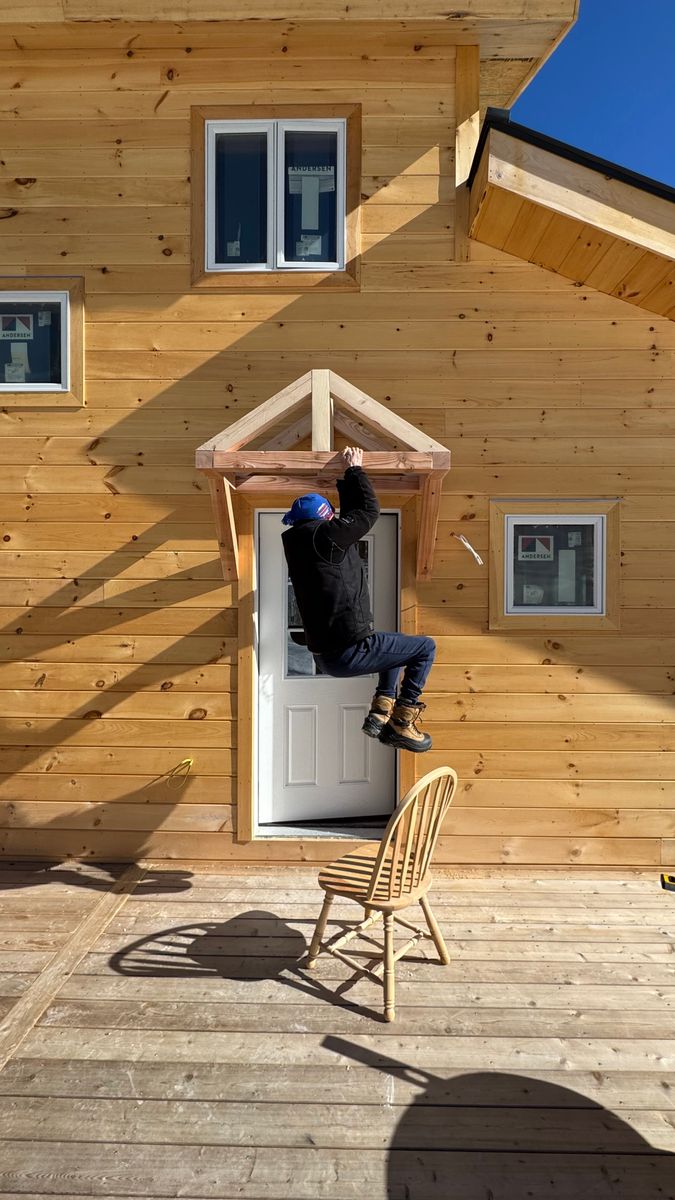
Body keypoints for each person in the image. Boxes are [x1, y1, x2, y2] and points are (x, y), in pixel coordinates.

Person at [281, 446, 435, 753]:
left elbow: (352, 519)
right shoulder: (325, 537)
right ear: (325, 519)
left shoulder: (302, 545)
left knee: (393, 647)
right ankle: (403, 719)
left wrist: (344, 482)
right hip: (348, 650)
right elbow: (366, 513)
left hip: (328, 657)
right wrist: (355, 471)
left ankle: (380, 712)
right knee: (424, 648)